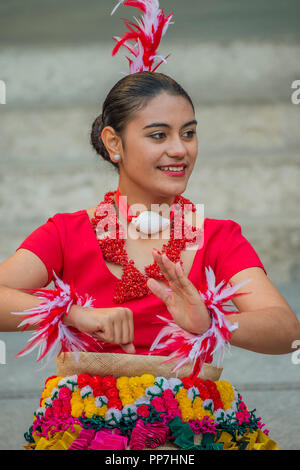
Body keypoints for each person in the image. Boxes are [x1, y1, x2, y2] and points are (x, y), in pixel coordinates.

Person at [0, 72, 299, 360]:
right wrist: (74, 313)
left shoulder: (217, 237)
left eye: (189, 133)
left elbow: (287, 330)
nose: (180, 149)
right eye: (158, 135)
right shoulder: (67, 232)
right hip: (85, 411)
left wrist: (210, 322)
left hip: (189, 411)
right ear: (114, 143)